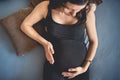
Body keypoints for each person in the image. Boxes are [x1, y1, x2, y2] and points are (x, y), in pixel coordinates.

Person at [20, 0, 102, 80]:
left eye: (79, 10)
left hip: (80, 71)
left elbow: (93, 41)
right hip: (53, 70)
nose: (74, 13)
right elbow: (25, 25)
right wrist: (44, 43)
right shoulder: (46, 7)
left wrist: (85, 67)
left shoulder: (87, 12)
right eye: (69, 8)